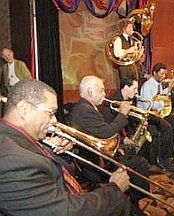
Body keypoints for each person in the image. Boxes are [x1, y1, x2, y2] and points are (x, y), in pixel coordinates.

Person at [0, 79, 132, 216]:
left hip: (66, 196)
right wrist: (114, 189)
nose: (54, 121)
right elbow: (68, 211)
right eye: (50, 113)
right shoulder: (12, 160)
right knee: (121, 205)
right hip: (69, 205)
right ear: (24, 109)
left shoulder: (13, 138)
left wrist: (54, 152)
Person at [69, 75, 150, 215]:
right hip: (94, 162)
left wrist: (118, 146)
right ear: (90, 92)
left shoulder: (86, 107)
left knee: (133, 154)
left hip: (100, 153)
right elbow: (107, 133)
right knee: (140, 163)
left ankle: (131, 201)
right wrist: (123, 114)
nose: (105, 94)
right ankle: (133, 205)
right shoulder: (84, 110)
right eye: (101, 90)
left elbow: (101, 131)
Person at [113, 19, 144, 83]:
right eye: (129, 27)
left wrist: (139, 53)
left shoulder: (132, 40)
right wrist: (128, 50)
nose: (132, 29)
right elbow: (117, 53)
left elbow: (134, 56)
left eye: (132, 27)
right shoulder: (119, 39)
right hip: (124, 68)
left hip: (133, 68)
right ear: (124, 28)